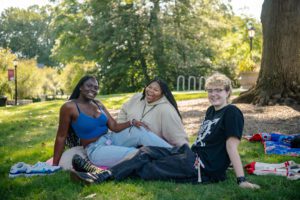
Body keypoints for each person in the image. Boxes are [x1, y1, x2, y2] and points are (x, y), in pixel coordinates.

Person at [72, 73, 260, 189]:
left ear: (228, 91)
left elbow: (231, 146)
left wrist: (241, 179)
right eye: (210, 90)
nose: (214, 94)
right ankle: (98, 172)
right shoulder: (212, 111)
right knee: (147, 151)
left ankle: (99, 176)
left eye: (219, 90)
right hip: (190, 156)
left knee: (148, 168)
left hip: (201, 168)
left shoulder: (232, 112)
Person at [56, 77, 188, 170]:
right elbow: (61, 137)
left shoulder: (98, 104)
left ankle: (180, 154)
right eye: (89, 86)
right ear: (80, 87)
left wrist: (132, 122)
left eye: (96, 87)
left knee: (140, 130)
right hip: (95, 149)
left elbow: (114, 127)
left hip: (109, 139)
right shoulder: (69, 107)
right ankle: (175, 163)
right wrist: (54, 165)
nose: (93, 90)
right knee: (136, 154)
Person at [117, 77, 188, 146]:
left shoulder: (166, 109)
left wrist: (185, 151)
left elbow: (178, 137)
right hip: (127, 143)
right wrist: (122, 130)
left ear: (162, 94)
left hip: (152, 150)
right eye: (149, 87)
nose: (151, 91)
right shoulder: (137, 98)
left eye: (156, 90)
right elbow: (124, 110)